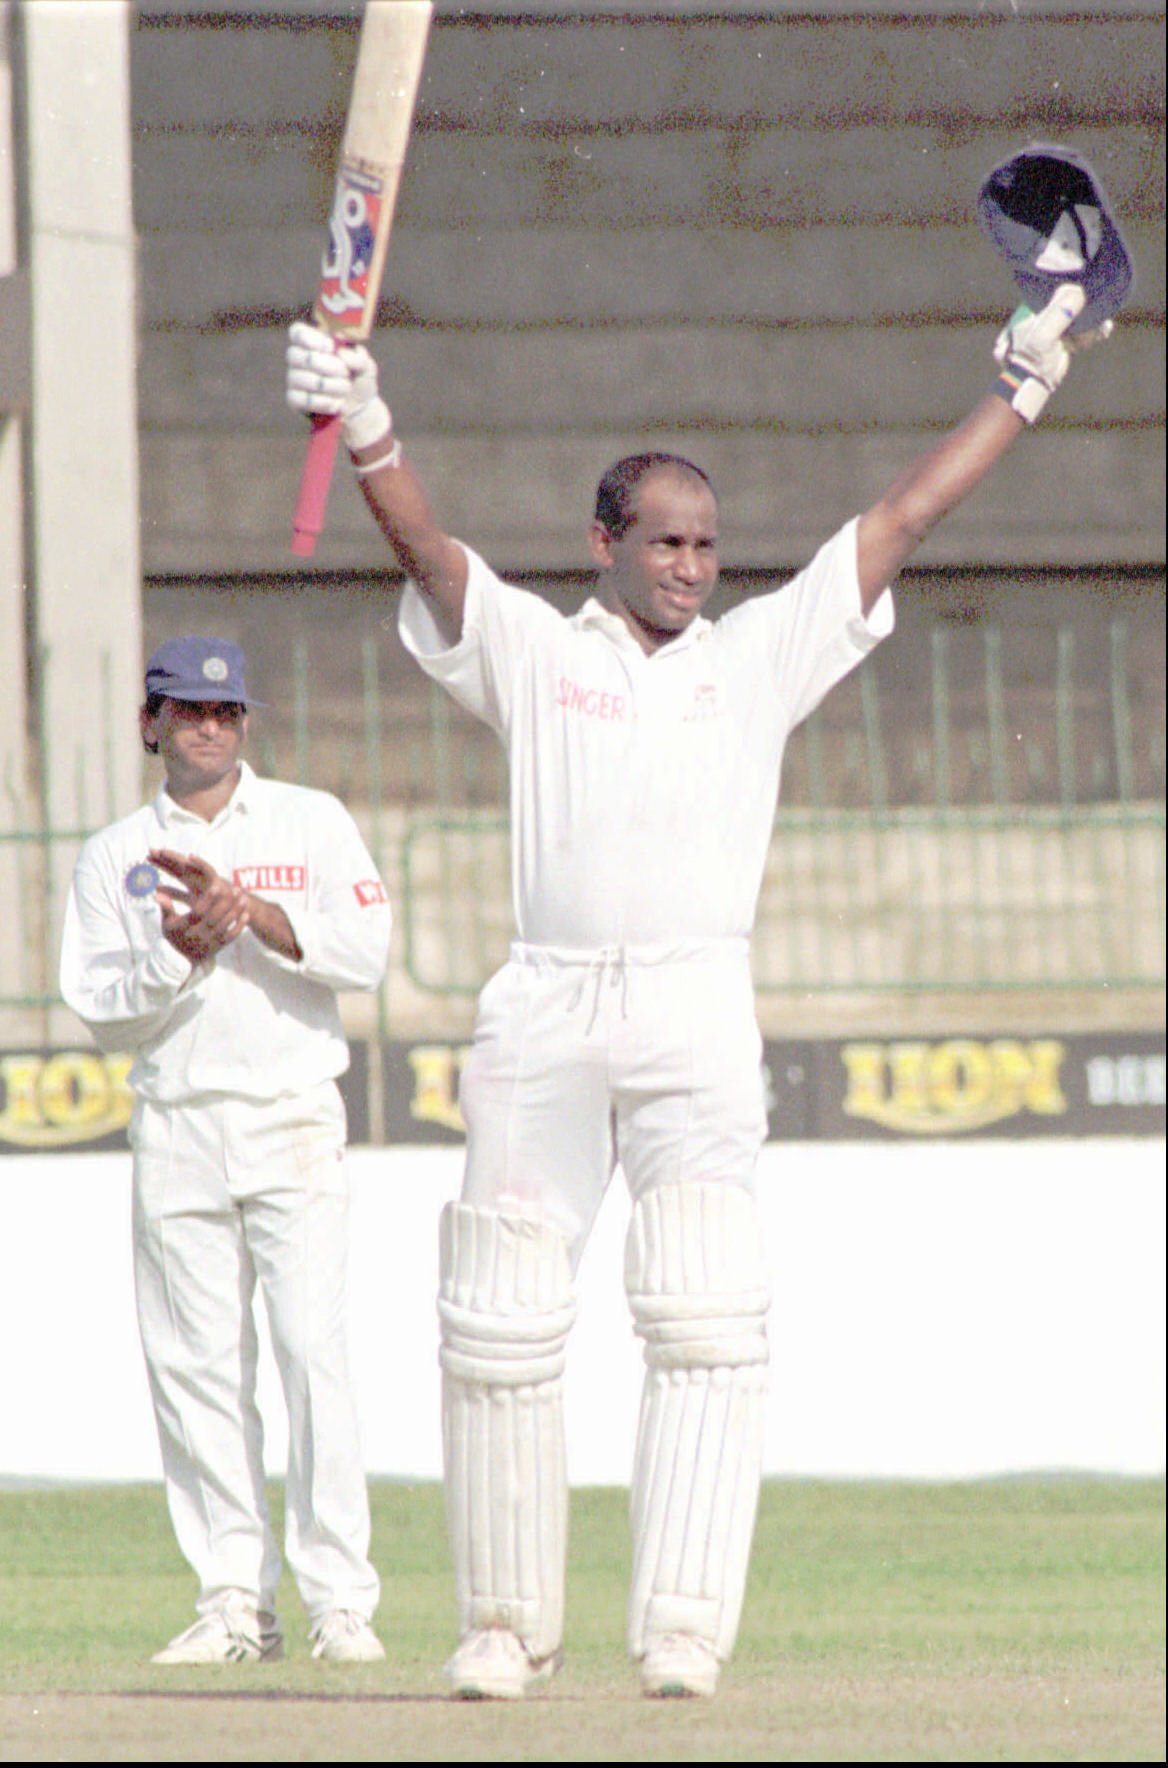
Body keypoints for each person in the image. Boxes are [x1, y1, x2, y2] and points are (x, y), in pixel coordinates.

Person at [285, 277, 1109, 1700]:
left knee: (708, 1312)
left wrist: (1024, 379)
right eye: (662, 541)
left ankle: (681, 1626)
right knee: (500, 1311)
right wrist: (367, 425)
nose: (689, 565)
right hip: (547, 1007)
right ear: (604, 543)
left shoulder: (758, 656)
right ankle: (501, 1624)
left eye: (705, 543)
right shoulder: (540, 657)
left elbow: (907, 516)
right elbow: (428, 554)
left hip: (693, 1007)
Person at [59, 636, 393, 1666]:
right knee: (198, 1372)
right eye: (187, 711)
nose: (209, 728)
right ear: (151, 721)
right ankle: (235, 1603)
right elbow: (99, 1010)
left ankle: (341, 1601)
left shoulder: (310, 819)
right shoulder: (114, 852)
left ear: (245, 722)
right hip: (177, 1126)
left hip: (291, 1114)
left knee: (310, 1358)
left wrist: (257, 916)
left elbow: (370, 953)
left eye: (227, 713)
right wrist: (178, 954)